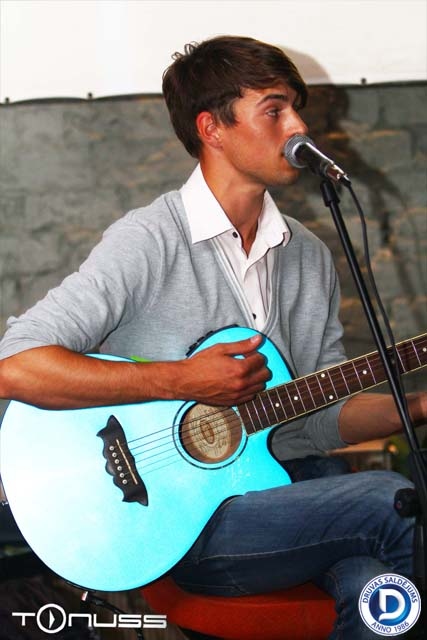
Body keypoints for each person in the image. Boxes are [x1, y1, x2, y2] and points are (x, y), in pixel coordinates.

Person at [0, 36, 425, 639]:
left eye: (296, 107)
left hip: (289, 492)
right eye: (275, 110)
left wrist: (417, 407)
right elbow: (15, 366)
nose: (299, 126)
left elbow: (317, 422)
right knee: (395, 499)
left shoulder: (307, 255)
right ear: (212, 128)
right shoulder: (150, 240)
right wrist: (181, 380)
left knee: (379, 595)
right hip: (181, 523)